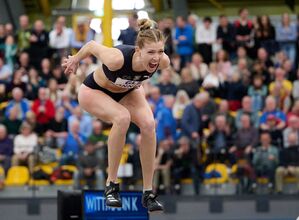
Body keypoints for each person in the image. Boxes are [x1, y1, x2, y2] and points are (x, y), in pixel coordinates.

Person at [62, 18, 169, 212]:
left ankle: (148, 192)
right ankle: (111, 185)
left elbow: (145, 72)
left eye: (160, 52)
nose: (156, 58)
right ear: (138, 50)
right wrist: (75, 59)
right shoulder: (117, 58)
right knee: (122, 118)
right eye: (151, 52)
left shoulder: (162, 62)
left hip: (127, 91)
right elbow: (92, 44)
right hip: (94, 92)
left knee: (148, 124)